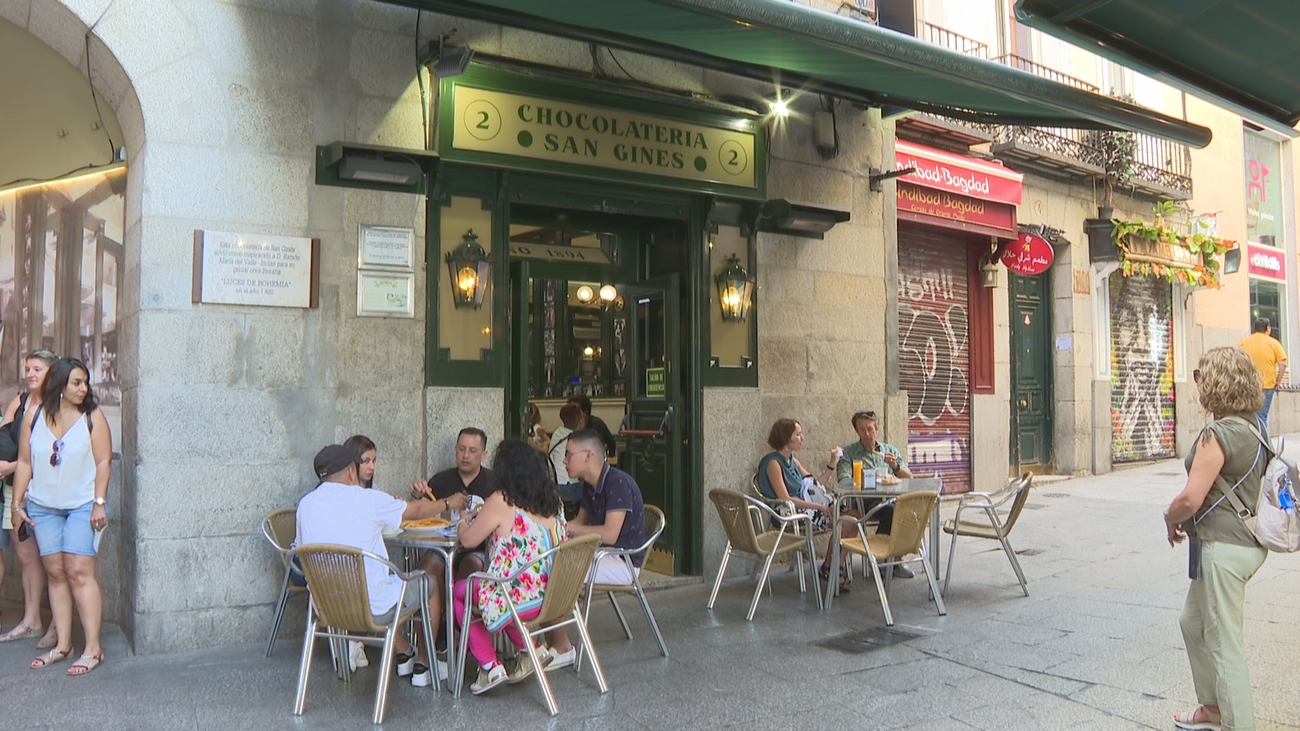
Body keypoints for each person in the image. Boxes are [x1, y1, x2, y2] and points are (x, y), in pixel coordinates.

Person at [1165, 347, 1269, 731]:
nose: (1198, 382)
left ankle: (1238, 724)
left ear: (1218, 383)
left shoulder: (1217, 434)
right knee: (1192, 621)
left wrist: (1169, 516)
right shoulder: (1254, 426)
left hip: (1224, 549)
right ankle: (1213, 709)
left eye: (1201, 375)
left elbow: (1191, 498)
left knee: (1226, 644)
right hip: (1242, 543)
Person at [296, 444, 450, 687]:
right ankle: (424, 665)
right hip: (372, 607)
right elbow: (417, 509)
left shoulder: (305, 505)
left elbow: (301, 548)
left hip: (326, 608)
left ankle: (405, 653)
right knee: (426, 582)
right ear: (351, 472)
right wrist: (449, 503)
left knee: (371, 584)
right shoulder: (367, 498)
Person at [10, 358, 112, 675]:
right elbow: (25, 463)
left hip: (82, 505)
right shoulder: (34, 415)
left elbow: (103, 462)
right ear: (59, 386)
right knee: (55, 574)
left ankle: (93, 649)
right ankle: (64, 645)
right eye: (76, 383)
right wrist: (16, 505)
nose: (84, 388)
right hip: (43, 506)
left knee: (79, 571)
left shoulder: (92, 416)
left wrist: (99, 502)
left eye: (85, 382)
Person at [452, 439, 567, 695]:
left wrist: (462, 521)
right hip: (554, 596)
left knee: (461, 591)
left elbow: (469, 540)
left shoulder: (502, 500)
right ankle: (531, 649)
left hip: (517, 599)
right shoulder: (553, 501)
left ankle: (491, 666)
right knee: (491, 592)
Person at [544, 428, 646, 668]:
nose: (564, 461)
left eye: (569, 454)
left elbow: (609, 534)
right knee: (548, 562)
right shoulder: (590, 485)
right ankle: (552, 644)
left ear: (588, 455)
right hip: (602, 556)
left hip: (623, 562)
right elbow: (580, 524)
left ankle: (563, 648)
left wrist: (562, 527)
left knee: (555, 572)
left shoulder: (618, 483)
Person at [757, 418, 864, 594]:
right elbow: (785, 499)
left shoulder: (793, 460)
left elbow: (815, 485)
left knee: (855, 517)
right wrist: (819, 507)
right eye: (798, 434)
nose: (803, 438)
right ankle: (832, 568)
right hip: (788, 511)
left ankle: (832, 566)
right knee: (845, 522)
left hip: (807, 506)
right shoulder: (773, 463)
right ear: (785, 438)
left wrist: (833, 463)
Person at [0, 350, 58, 645]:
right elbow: (3, 435)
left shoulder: (59, 404)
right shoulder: (21, 401)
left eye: (38, 368)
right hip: (16, 489)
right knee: (26, 558)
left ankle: (58, 627)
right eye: (28, 369)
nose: (31, 374)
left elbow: (54, 453)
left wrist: (10, 464)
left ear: (52, 371)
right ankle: (32, 619)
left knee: (55, 561)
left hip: (46, 492)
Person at [835, 410, 913, 579]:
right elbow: (843, 480)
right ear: (857, 431)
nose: (867, 434)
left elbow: (909, 478)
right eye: (862, 430)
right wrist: (864, 479)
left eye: (870, 429)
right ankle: (884, 558)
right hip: (864, 501)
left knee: (903, 510)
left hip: (890, 498)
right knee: (892, 511)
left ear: (877, 429)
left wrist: (896, 467)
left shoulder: (888, 450)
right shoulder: (849, 452)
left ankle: (891, 556)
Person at [1237, 317, 1287, 428]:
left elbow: (1237, 361)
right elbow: (1283, 364)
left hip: (1249, 384)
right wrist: (1278, 381)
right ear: (1268, 329)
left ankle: (1251, 441)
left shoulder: (1244, 342)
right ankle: (1264, 443)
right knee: (1262, 416)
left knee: (1248, 416)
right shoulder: (1273, 343)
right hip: (1267, 384)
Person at [547, 403, 586, 502]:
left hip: (552, 486)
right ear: (579, 420)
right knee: (593, 488)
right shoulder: (576, 439)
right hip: (566, 488)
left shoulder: (557, 433)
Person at [567, 394, 617, 458]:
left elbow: (586, 448)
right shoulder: (573, 425)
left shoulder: (596, 425)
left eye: (575, 410)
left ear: (585, 413)